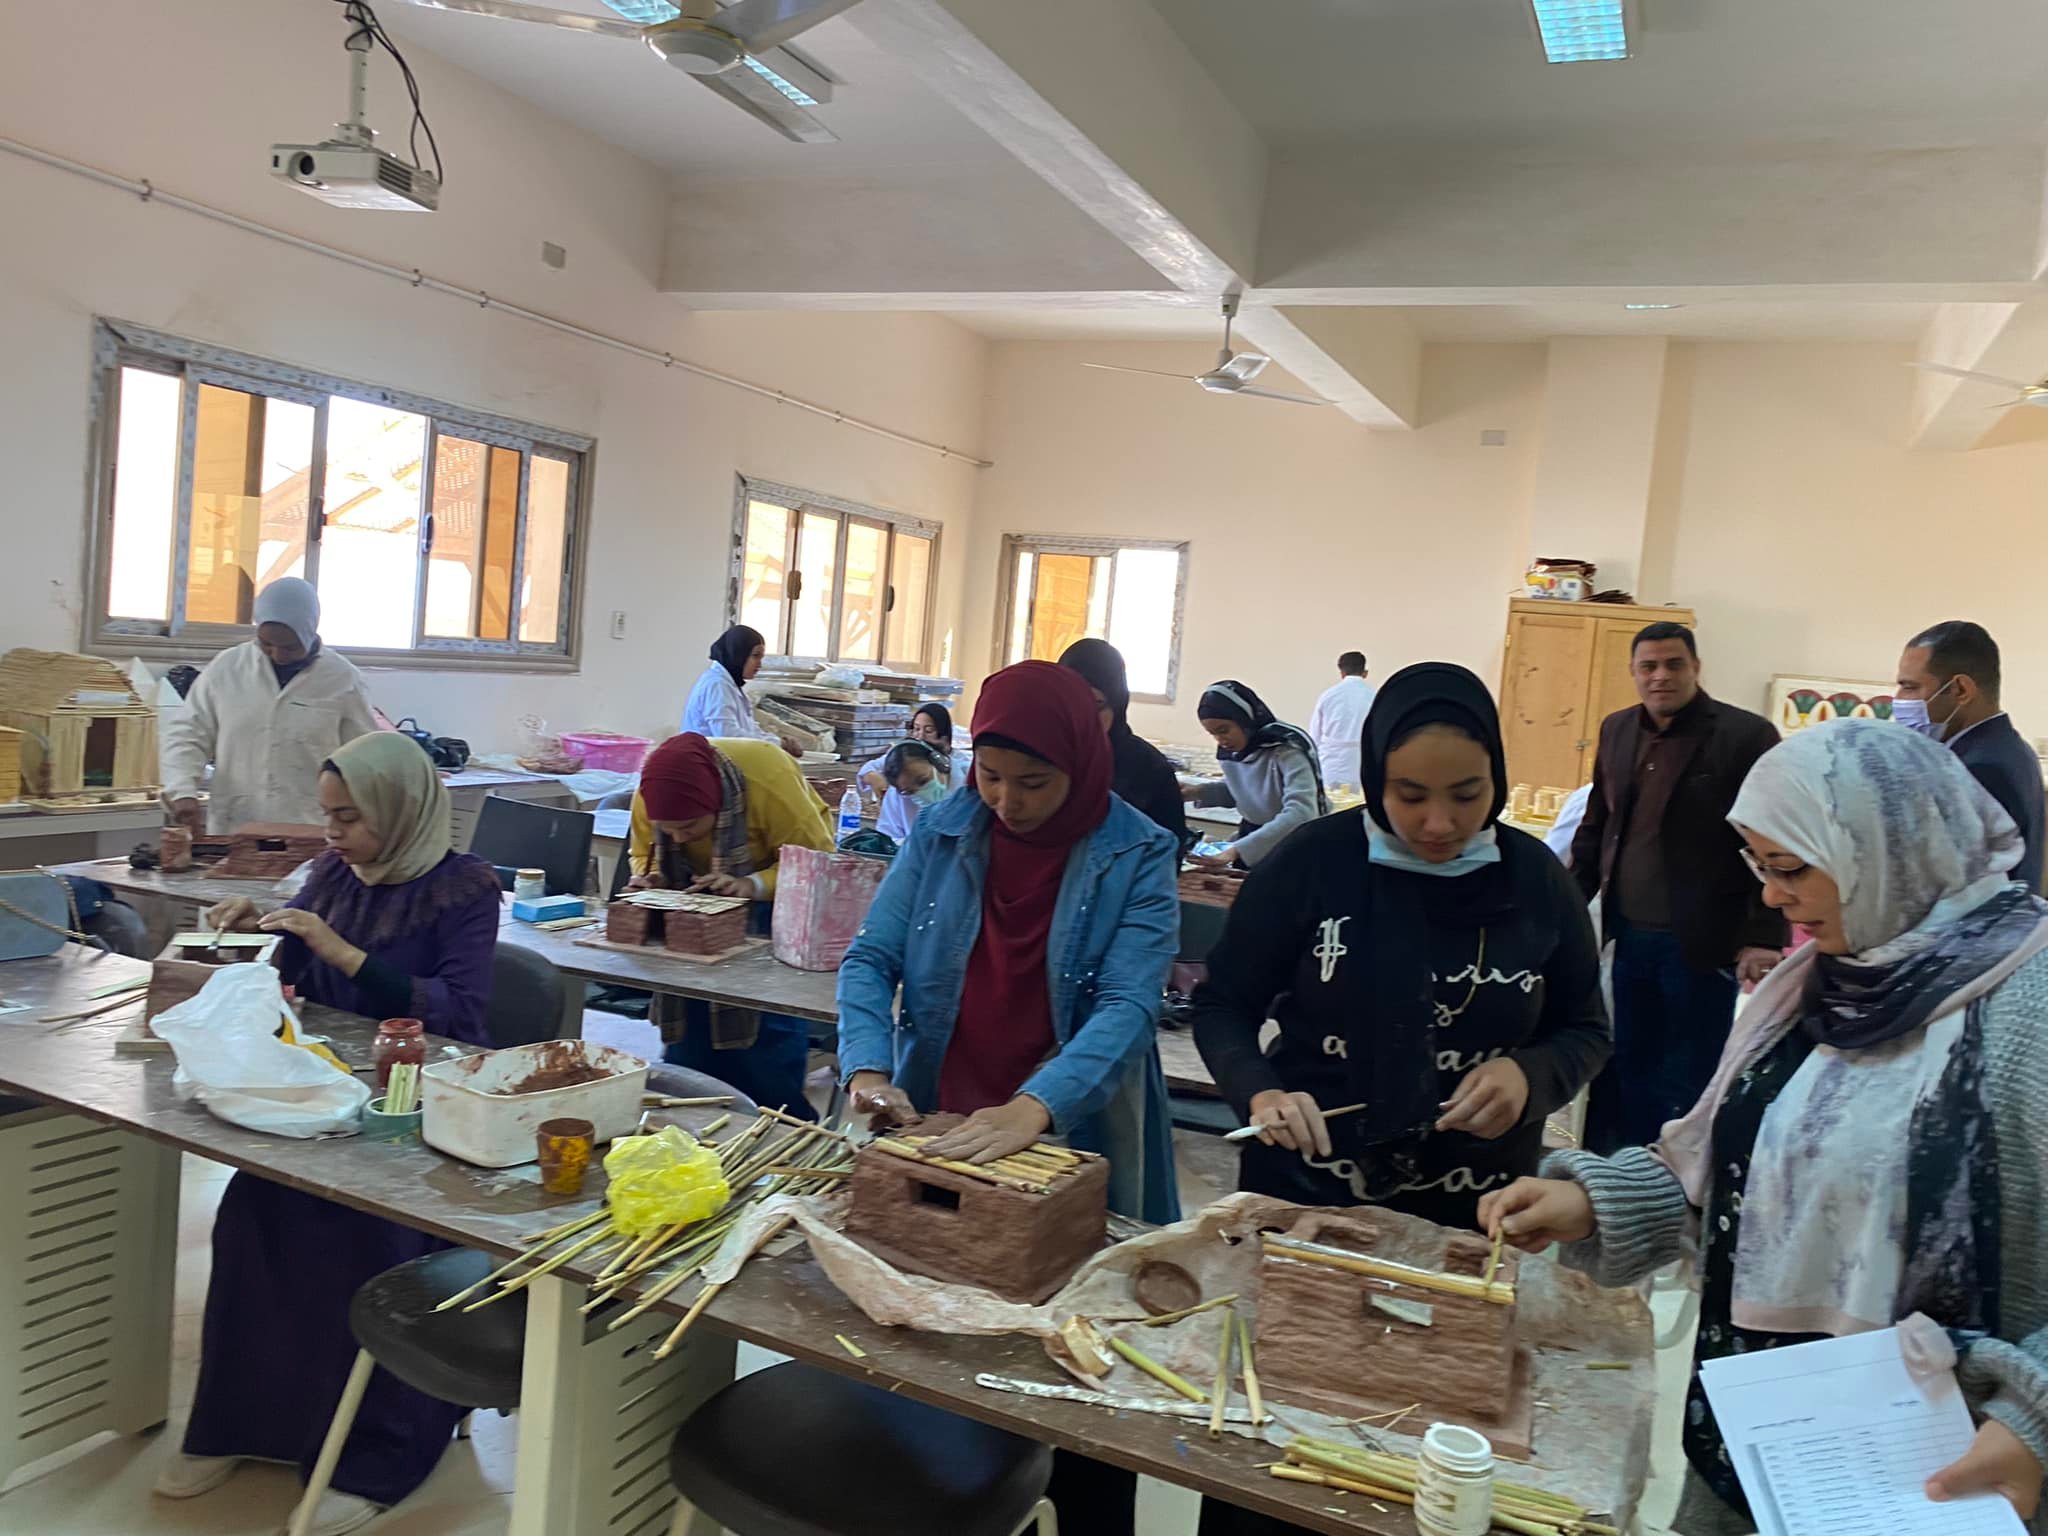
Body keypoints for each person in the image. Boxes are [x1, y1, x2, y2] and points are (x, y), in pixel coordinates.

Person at [1483, 720, 2048, 1535]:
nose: (1774, 899)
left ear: (1888, 846)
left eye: (1790, 868)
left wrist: (2032, 1420)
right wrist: (1597, 1203)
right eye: (1759, 867)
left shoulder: (2028, 1007)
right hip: (1765, 1438)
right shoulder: (1817, 983)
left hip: (1945, 1470)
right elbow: (1738, 1166)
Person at [159, 733, 502, 1536]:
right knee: (250, 1217)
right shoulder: (334, 872)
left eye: (350, 817)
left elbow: (460, 1013)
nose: (334, 832)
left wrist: (340, 951)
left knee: (365, 1246)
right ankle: (236, 1426)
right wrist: (255, 929)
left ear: (402, 808)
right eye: (328, 816)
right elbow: (293, 970)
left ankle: (374, 1455)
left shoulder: (465, 888)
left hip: (413, 1117)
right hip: (323, 1095)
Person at [1190, 663, 1611, 1232]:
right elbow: (1223, 1005)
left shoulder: (1535, 881)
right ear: (1375, 779)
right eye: (1410, 796)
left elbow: (1586, 1030)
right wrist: (1260, 1093)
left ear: (1496, 778)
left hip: (1476, 1209)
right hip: (1307, 1194)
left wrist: (1530, 1076)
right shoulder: (1313, 863)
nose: (1438, 823)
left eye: (1467, 795)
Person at [837, 661, 1181, 1224]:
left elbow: (1129, 1004)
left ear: (1079, 762)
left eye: (1033, 782)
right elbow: (871, 958)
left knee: (1061, 1249)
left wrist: (1035, 1106)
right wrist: (868, 1069)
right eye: (990, 775)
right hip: (939, 1089)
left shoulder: (1138, 852)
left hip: (1075, 1105)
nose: (1006, 801)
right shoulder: (941, 831)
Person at [1571, 622, 1787, 1154]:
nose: (1660, 676)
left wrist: (1763, 936)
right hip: (1628, 937)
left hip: (1702, 942)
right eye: (1648, 666)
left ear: (1696, 668)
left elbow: (1775, 836)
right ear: (1633, 672)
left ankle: (1679, 1185)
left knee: (1688, 1079)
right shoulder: (1617, 729)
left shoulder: (1746, 736)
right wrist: (1564, 908)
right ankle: (1622, 1175)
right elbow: (1597, 826)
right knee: (1627, 1068)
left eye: (1673, 664)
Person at [627, 732, 836, 1111]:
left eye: (689, 827)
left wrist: (750, 885)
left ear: (716, 803)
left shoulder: (768, 775)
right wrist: (651, 876)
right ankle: (694, 1117)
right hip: (693, 903)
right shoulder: (651, 791)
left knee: (765, 1037)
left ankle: (777, 1124)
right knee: (690, 1032)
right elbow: (642, 851)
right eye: (669, 829)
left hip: (776, 900)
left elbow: (815, 861)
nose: (678, 838)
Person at [162, 576, 378, 833]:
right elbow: (187, 734)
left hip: (309, 830)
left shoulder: (343, 679)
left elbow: (364, 758)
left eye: (290, 647)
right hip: (235, 828)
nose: (277, 654)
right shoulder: (227, 669)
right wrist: (182, 790)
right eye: (266, 644)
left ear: (309, 633)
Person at [1897, 619, 2044, 893]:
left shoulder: (1978, 767)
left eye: (1910, 687)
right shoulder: (2012, 748)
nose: (1899, 699)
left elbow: (1944, 882)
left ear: (1961, 690)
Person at [1058, 637, 1191, 855]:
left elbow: (1168, 853)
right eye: (1073, 703)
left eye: (1095, 704)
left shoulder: (1149, 769)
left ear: (1116, 701)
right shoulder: (1044, 756)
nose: (1083, 717)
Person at [1183, 681, 1327, 869]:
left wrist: (1237, 850)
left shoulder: (1287, 748)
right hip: (1254, 834)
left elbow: (1301, 812)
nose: (1220, 740)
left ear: (1244, 720)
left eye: (1224, 730)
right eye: (1213, 734)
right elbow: (1245, 792)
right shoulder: (1233, 752)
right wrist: (1198, 792)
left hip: (1293, 840)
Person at [680, 624, 801, 756]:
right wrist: (777, 744)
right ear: (738, 654)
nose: (759, 664)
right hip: (703, 760)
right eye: (755, 656)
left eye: (761, 658)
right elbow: (728, 735)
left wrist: (778, 743)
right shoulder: (717, 685)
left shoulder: (730, 684)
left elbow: (750, 729)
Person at [1306, 650, 1377, 791]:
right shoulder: (1374, 696)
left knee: (1332, 801)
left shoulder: (1328, 696)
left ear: (1342, 673)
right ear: (1365, 673)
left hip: (1332, 764)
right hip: (1363, 761)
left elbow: (1314, 736)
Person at [859, 738, 952, 843]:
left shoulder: (965, 782)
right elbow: (888, 840)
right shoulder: (897, 796)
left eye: (923, 781)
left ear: (939, 764)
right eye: (910, 791)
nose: (922, 792)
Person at [906, 701, 970, 790]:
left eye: (928, 730)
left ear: (944, 734)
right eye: (917, 729)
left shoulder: (962, 765)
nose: (920, 736)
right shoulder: (908, 757)